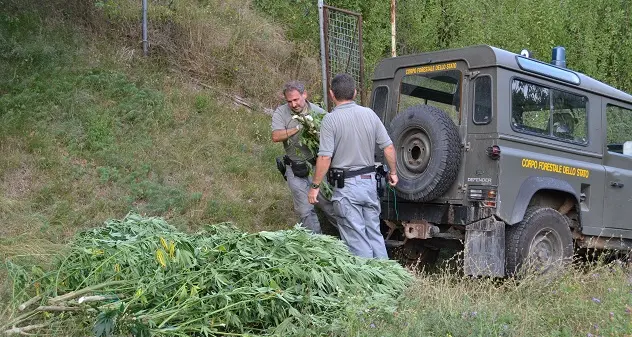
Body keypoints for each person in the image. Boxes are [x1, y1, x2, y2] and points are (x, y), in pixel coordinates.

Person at [307, 73, 398, 258]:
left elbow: (325, 157)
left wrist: (315, 186)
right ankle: (387, 281)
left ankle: (368, 284)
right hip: (370, 184)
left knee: (357, 239)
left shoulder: (330, 120)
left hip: (347, 187)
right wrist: (394, 172)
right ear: (355, 93)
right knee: (374, 234)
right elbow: (388, 147)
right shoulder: (370, 114)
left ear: (332, 94)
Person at [271, 80, 335, 234]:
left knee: (329, 204)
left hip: (316, 167)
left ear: (304, 95)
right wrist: (299, 127)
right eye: (289, 101)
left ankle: (347, 238)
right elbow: (275, 136)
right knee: (305, 211)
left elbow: (332, 140)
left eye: (296, 99)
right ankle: (317, 245)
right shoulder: (281, 112)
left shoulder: (319, 113)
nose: (293, 104)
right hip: (295, 167)